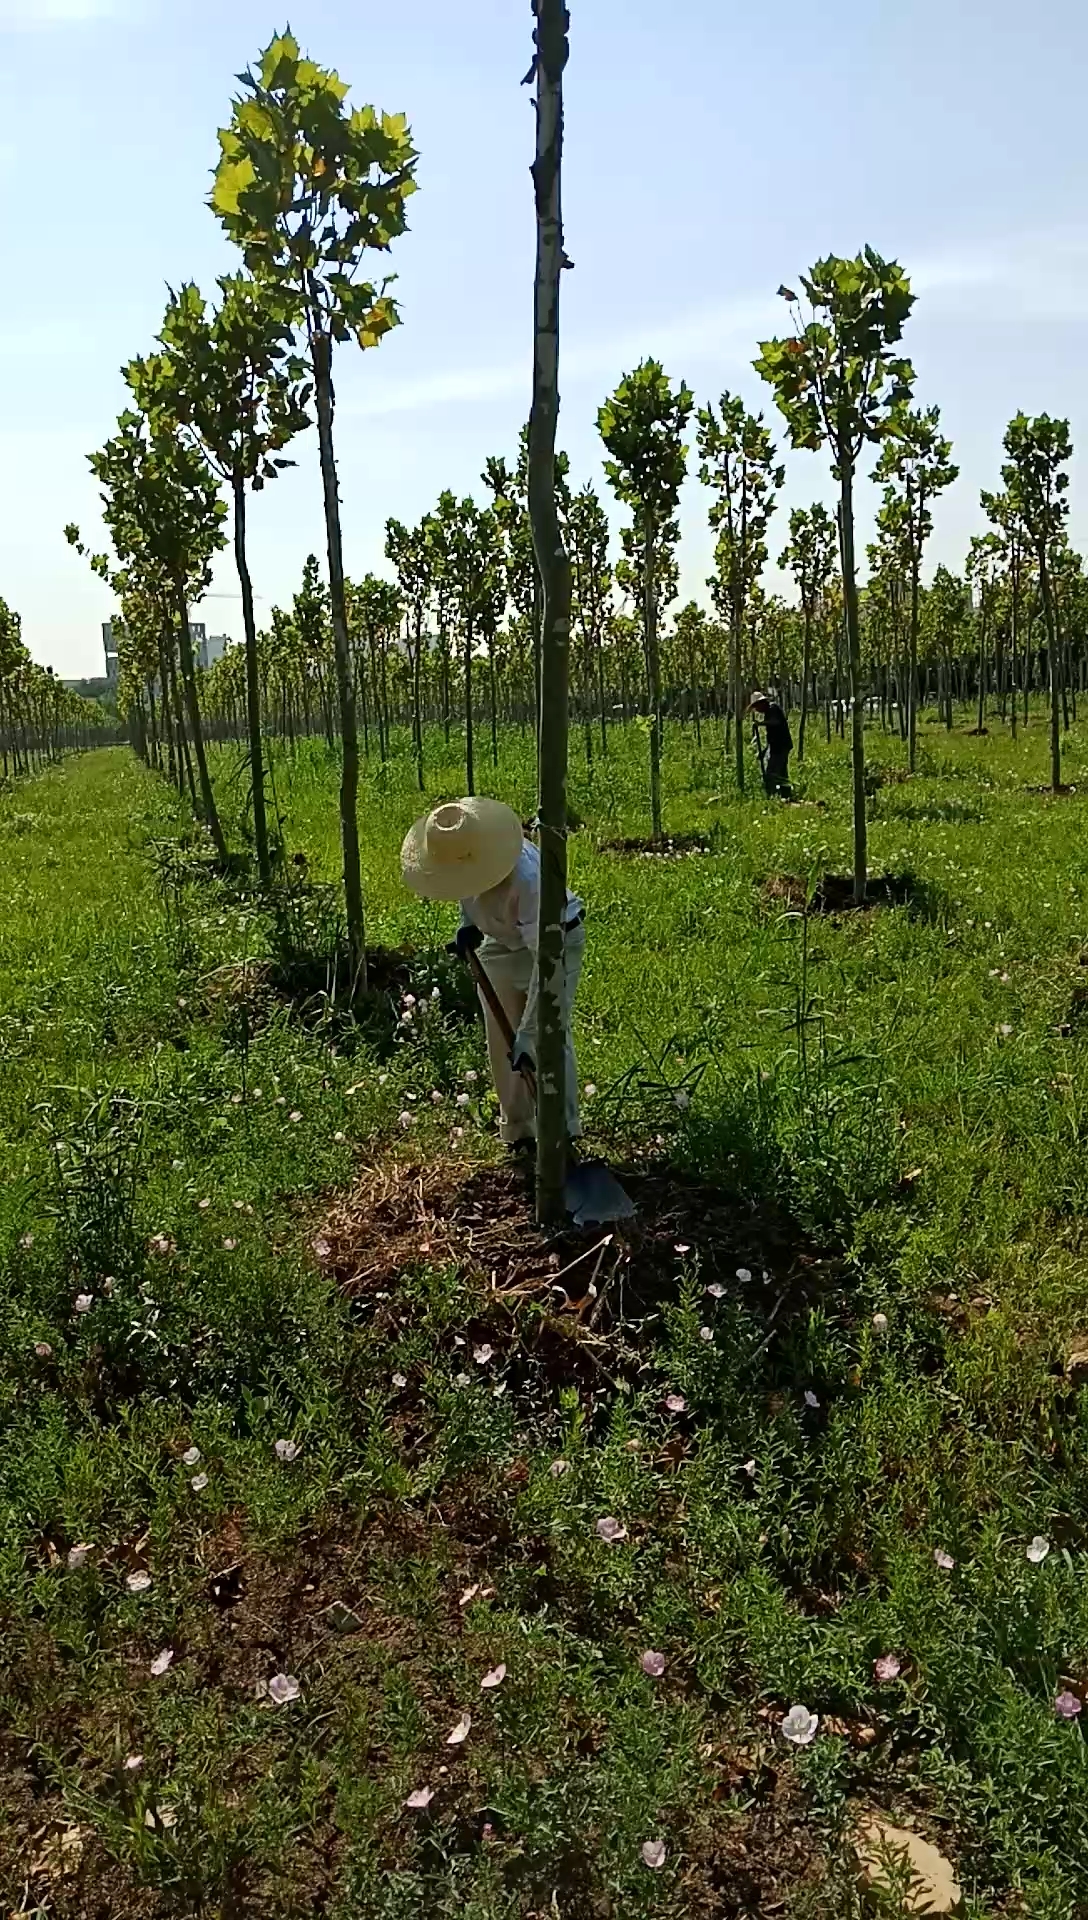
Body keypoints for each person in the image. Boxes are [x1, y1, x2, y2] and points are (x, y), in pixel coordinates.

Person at [400, 797, 585, 1153]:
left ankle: (562, 1131)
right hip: (503, 941)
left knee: (548, 1034)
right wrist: (468, 925)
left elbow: (548, 966)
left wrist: (531, 1033)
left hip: (554, 940)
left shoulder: (529, 880)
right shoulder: (461, 857)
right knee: (502, 1041)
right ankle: (521, 1131)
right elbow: (462, 885)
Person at [747, 690, 793, 796]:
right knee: (782, 772)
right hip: (777, 745)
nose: (757, 710)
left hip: (781, 746)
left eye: (757, 707)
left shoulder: (773, 708)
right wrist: (765, 750)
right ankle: (786, 794)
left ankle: (772, 795)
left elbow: (775, 722)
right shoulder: (768, 711)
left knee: (771, 773)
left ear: (761, 704)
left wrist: (760, 724)